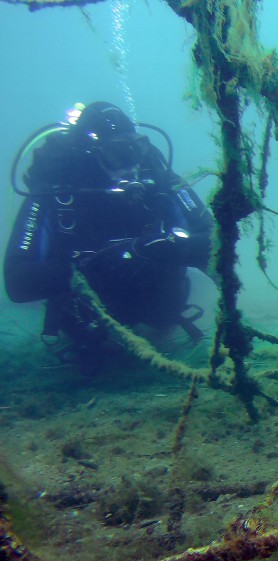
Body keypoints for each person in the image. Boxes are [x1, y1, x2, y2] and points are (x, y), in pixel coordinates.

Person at [4, 101, 215, 372]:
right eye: (117, 154)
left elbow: (214, 238)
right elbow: (16, 281)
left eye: (137, 149)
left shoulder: (156, 177)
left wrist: (169, 248)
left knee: (166, 301)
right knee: (85, 336)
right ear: (91, 155)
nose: (131, 165)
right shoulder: (57, 191)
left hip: (158, 304)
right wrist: (98, 264)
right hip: (87, 317)